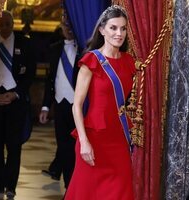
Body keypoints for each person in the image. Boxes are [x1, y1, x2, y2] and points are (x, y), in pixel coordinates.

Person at [65, 5, 136, 200]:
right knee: (87, 193)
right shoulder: (91, 61)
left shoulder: (130, 62)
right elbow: (77, 106)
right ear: (102, 30)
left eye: (123, 28)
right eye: (113, 28)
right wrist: (84, 142)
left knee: (121, 192)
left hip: (119, 138)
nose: (119, 33)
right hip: (94, 138)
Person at [0, 11, 36, 198]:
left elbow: (30, 74)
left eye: (7, 24)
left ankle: (11, 186)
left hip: (15, 102)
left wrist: (16, 93)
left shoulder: (25, 43)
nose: (4, 28)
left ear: (13, 24)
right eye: (1, 24)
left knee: (14, 147)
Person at [39, 22, 78, 190]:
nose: (68, 29)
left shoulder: (85, 47)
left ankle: (78, 191)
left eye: (71, 25)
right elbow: (50, 80)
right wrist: (45, 107)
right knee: (63, 150)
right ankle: (69, 190)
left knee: (77, 152)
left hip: (79, 108)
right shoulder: (55, 49)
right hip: (60, 106)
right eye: (65, 25)